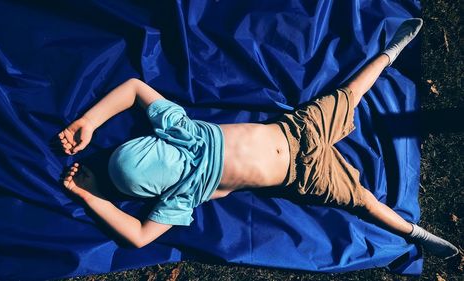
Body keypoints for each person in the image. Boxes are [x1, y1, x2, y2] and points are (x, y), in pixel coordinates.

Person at [59, 18, 459, 259]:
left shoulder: (184, 135)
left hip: (299, 130)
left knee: (351, 93)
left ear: (157, 142)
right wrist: (91, 195)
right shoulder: (183, 192)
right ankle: (416, 233)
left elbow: (132, 88)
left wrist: (89, 122)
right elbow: (140, 237)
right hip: (305, 174)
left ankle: (391, 51)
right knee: (365, 202)